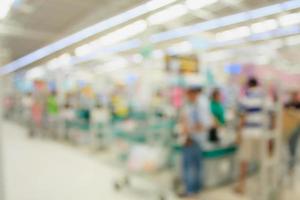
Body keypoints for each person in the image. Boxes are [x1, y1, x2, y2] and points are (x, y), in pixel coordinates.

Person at [235, 77, 272, 194]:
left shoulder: (246, 97)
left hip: (248, 133)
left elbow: (243, 117)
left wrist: (239, 134)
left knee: (244, 160)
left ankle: (242, 186)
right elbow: (271, 115)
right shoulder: (266, 96)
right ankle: (264, 186)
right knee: (263, 159)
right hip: (263, 133)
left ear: (248, 85)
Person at [180, 85, 212, 198]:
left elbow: (204, 124)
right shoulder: (192, 106)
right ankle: (195, 189)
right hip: (194, 138)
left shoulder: (200, 106)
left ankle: (191, 190)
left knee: (190, 166)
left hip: (194, 139)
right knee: (195, 166)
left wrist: (189, 131)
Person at [284, 91, 300, 175]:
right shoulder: (287, 104)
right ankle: (289, 165)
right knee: (289, 147)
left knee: (293, 147)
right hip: (287, 129)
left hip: (296, 129)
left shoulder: (298, 104)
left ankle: (291, 167)